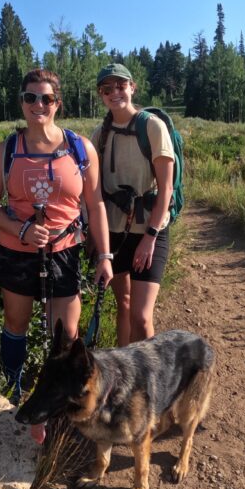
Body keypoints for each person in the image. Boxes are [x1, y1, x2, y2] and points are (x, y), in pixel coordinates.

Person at [0, 68, 113, 439]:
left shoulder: (79, 149)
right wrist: (20, 228)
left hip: (65, 253)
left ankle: (60, 405)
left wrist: (104, 256)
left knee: (67, 335)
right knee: (16, 325)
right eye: (31, 97)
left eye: (46, 98)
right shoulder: (7, 150)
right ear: (21, 102)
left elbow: (95, 204)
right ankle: (15, 391)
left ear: (58, 104)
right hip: (17, 253)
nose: (38, 104)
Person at [90, 63, 175, 346]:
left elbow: (166, 188)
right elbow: (91, 190)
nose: (115, 92)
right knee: (123, 305)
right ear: (101, 95)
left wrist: (150, 237)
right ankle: (125, 377)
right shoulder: (100, 135)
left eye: (121, 86)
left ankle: (151, 383)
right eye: (107, 88)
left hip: (150, 229)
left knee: (141, 316)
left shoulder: (152, 126)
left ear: (132, 87)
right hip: (114, 232)